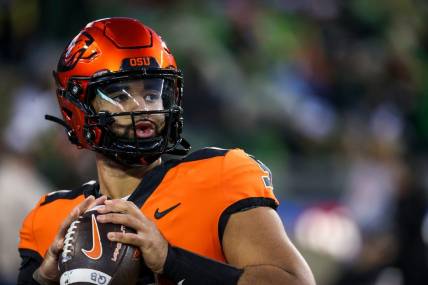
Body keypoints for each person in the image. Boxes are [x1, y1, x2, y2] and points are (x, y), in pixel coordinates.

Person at [17, 17, 315, 285]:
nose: (143, 107)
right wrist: (43, 279)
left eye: (151, 92)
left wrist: (171, 261)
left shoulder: (220, 177)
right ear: (77, 108)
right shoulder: (49, 217)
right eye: (120, 95)